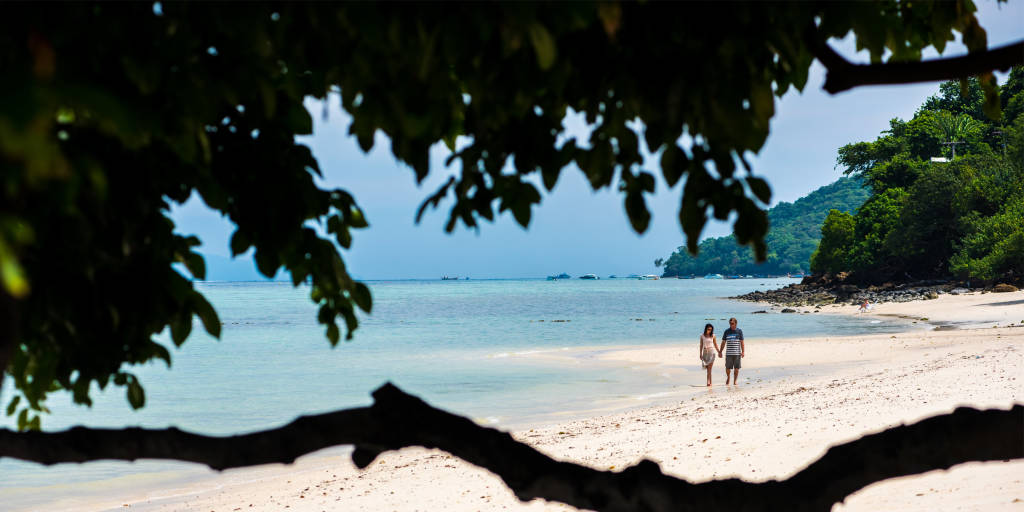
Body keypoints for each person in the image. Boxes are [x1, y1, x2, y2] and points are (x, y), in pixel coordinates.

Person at [719, 317, 745, 385]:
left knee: (737, 368)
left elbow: (742, 342)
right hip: (728, 354)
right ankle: (728, 377)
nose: (731, 325)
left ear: (736, 323)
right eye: (730, 324)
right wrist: (720, 351)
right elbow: (723, 342)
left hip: (737, 353)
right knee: (727, 368)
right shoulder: (726, 331)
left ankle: (735, 381)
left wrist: (743, 352)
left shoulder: (739, 331)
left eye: (732, 323)